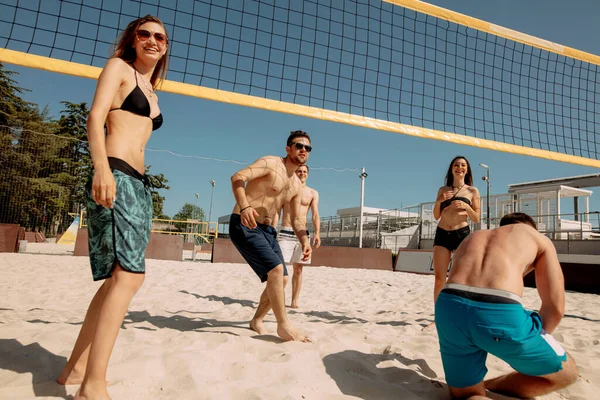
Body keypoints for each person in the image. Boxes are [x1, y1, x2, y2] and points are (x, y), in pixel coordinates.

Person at [56, 15, 169, 399]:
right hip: (115, 174)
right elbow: (95, 116)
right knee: (129, 278)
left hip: (138, 184)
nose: (153, 40)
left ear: (165, 47)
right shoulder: (118, 67)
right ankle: (93, 386)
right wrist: (100, 168)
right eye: (145, 34)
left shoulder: (153, 91)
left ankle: (75, 369)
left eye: (160, 37)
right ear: (132, 40)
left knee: (116, 281)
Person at [435, 212, 579, 399]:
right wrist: (521, 349)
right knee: (568, 373)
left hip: (449, 305)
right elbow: (555, 308)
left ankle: (478, 389)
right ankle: (491, 385)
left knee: (468, 396)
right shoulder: (538, 238)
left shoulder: (474, 236)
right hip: (498, 307)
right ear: (531, 227)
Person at [229, 130, 313, 342]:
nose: (303, 150)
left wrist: (304, 239)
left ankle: (256, 320)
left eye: (307, 148)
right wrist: (245, 206)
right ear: (288, 148)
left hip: (268, 230)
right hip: (244, 222)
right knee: (276, 271)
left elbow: (296, 220)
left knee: (283, 278)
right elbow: (237, 177)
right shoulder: (270, 163)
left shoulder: (296, 184)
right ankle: (283, 325)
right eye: (298, 145)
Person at [432, 156, 480, 304]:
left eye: (463, 165)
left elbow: (476, 218)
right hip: (442, 233)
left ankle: (460, 310)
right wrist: (440, 201)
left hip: (461, 234)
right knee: (440, 278)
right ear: (451, 169)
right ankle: (438, 315)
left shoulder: (472, 191)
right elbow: (436, 215)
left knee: (462, 277)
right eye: (456, 165)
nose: (460, 167)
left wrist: (466, 206)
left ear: (467, 170)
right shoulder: (443, 190)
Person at [277, 164, 321, 308]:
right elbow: (277, 210)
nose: (302, 173)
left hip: (302, 234)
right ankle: (275, 298)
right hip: (286, 232)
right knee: (278, 269)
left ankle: (294, 300)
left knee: (298, 269)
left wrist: (317, 233)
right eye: (299, 171)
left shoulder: (312, 193)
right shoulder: (286, 190)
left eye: (304, 171)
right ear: (295, 173)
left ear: (307, 174)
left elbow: (315, 215)